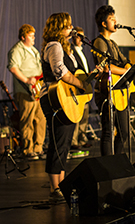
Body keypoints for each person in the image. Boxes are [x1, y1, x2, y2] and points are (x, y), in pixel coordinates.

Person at [39, 13, 87, 202]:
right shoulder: (54, 46)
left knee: (64, 142)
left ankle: (61, 183)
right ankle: (54, 186)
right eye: (68, 26)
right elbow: (60, 71)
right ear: (59, 28)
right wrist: (80, 84)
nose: (71, 28)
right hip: (54, 99)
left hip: (65, 98)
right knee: (58, 141)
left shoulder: (66, 48)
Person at [93, 5, 135, 156]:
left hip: (119, 93)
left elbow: (125, 61)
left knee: (124, 132)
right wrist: (128, 71)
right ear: (103, 23)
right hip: (106, 91)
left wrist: (134, 68)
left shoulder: (113, 44)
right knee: (108, 132)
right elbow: (106, 67)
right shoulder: (99, 42)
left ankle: (116, 161)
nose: (115, 21)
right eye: (111, 19)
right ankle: (109, 165)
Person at [7, 24, 46, 160]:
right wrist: (26, 80)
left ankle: (38, 147)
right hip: (25, 90)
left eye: (34, 35)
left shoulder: (34, 50)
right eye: (31, 35)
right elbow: (13, 67)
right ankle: (28, 149)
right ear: (23, 37)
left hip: (38, 89)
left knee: (40, 118)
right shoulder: (17, 50)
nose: (34, 38)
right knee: (27, 119)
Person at [71, 26, 92, 154]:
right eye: (78, 36)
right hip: (77, 86)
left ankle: (82, 138)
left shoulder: (82, 51)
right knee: (78, 115)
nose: (80, 39)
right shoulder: (72, 51)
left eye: (82, 36)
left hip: (85, 85)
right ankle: (74, 141)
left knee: (85, 114)